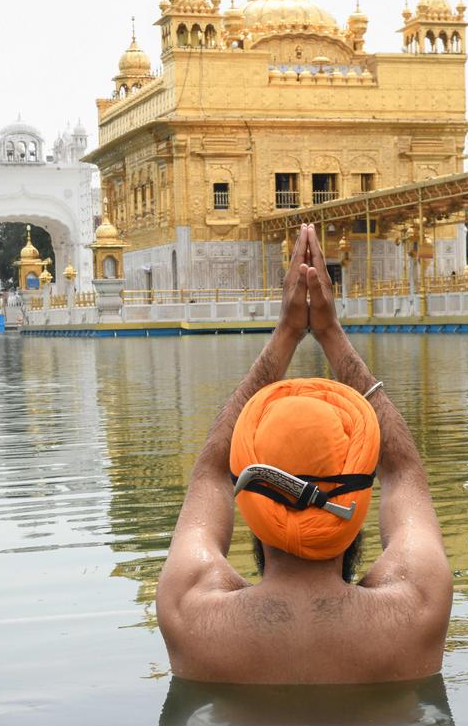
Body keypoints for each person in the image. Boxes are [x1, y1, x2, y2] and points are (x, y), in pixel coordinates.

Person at [156, 224, 452, 684]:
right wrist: (331, 333)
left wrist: (287, 332)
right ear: (355, 509)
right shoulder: (418, 609)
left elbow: (211, 473)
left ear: (251, 504)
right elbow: (403, 471)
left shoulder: (189, 615)